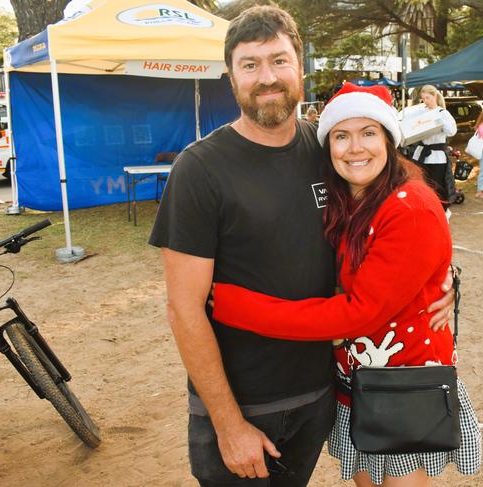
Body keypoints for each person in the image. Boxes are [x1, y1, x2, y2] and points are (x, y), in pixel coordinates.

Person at [148, 6, 455, 486]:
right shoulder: (200, 168)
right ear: (231, 77)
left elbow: (392, 231)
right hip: (244, 405)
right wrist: (228, 425)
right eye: (250, 64)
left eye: (278, 60)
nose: (266, 77)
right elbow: (183, 309)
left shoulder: (328, 149)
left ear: (300, 69)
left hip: (322, 395)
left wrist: (444, 281)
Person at [211, 82, 482, 487]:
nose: (355, 148)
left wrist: (236, 307)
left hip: (403, 390)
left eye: (368, 133)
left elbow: (358, 313)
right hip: (358, 384)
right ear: (328, 146)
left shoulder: (409, 207)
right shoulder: (347, 199)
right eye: (342, 135)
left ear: (390, 140)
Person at [411, 85, 457, 209]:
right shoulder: (420, 112)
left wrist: (439, 121)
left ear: (435, 96)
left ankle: (438, 209)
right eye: (423, 98)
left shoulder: (443, 113)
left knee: (437, 185)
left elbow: (452, 131)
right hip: (421, 154)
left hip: (437, 157)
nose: (426, 101)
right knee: (422, 184)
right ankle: (423, 208)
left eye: (428, 98)